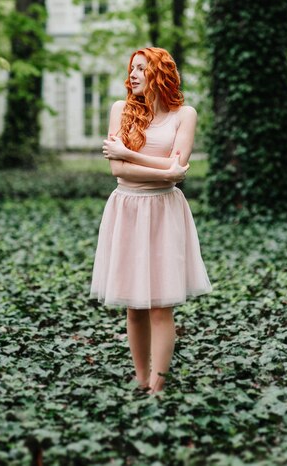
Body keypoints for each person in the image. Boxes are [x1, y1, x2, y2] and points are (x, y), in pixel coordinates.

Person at [89, 47, 212, 395]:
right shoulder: (121, 110)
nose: (133, 75)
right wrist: (164, 168)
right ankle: (141, 380)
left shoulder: (184, 115)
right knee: (133, 305)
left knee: (160, 305)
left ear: (159, 72)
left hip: (163, 211)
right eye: (132, 69)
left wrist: (129, 153)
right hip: (126, 209)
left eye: (141, 69)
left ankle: (158, 386)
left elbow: (178, 171)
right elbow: (118, 170)